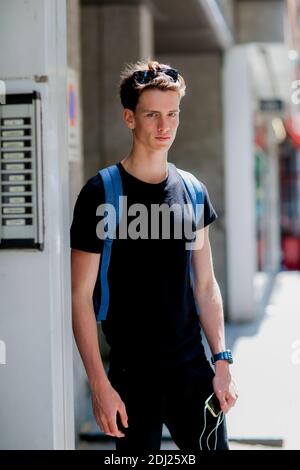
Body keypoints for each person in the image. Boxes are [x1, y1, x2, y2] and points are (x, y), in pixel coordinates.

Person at [70, 59, 238, 452]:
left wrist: (223, 363)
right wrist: (99, 384)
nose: (165, 127)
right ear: (129, 118)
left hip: (192, 371)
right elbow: (80, 297)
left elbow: (206, 285)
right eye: (152, 115)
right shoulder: (101, 194)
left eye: (172, 114)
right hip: (131, 377)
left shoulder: (192, 191)